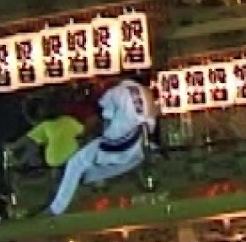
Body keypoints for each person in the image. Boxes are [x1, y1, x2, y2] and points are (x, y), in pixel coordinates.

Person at [38, 76, 157, 216]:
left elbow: (105, 122)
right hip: (141, 142)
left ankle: (56, 209)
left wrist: (98, 139)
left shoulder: (113, 92)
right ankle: (88, 177)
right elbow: (151, 124)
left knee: (76, 163)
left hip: (118, 141)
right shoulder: (145, 92)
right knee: (127, 160)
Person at [5, 97, 87, 170]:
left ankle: (18, 163)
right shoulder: (68, 120)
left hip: (54, 160)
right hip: (74, 156)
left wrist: (11, 146)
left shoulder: (45, 126)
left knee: (32, 144)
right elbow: (82, 133)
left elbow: (26, 140)